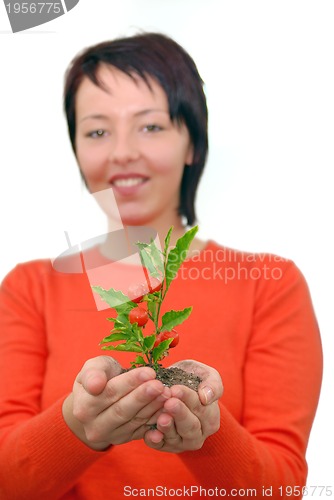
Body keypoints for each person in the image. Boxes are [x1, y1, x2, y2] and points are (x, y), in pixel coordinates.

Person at [0, 32, 322, 499]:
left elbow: (283, 488)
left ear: (193, 144)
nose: (122, 152)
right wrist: (77, 428)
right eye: (97, 131)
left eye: (150, 126)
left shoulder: (269, 285)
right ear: (76, 149)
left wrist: (208, 435)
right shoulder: (30, 288)